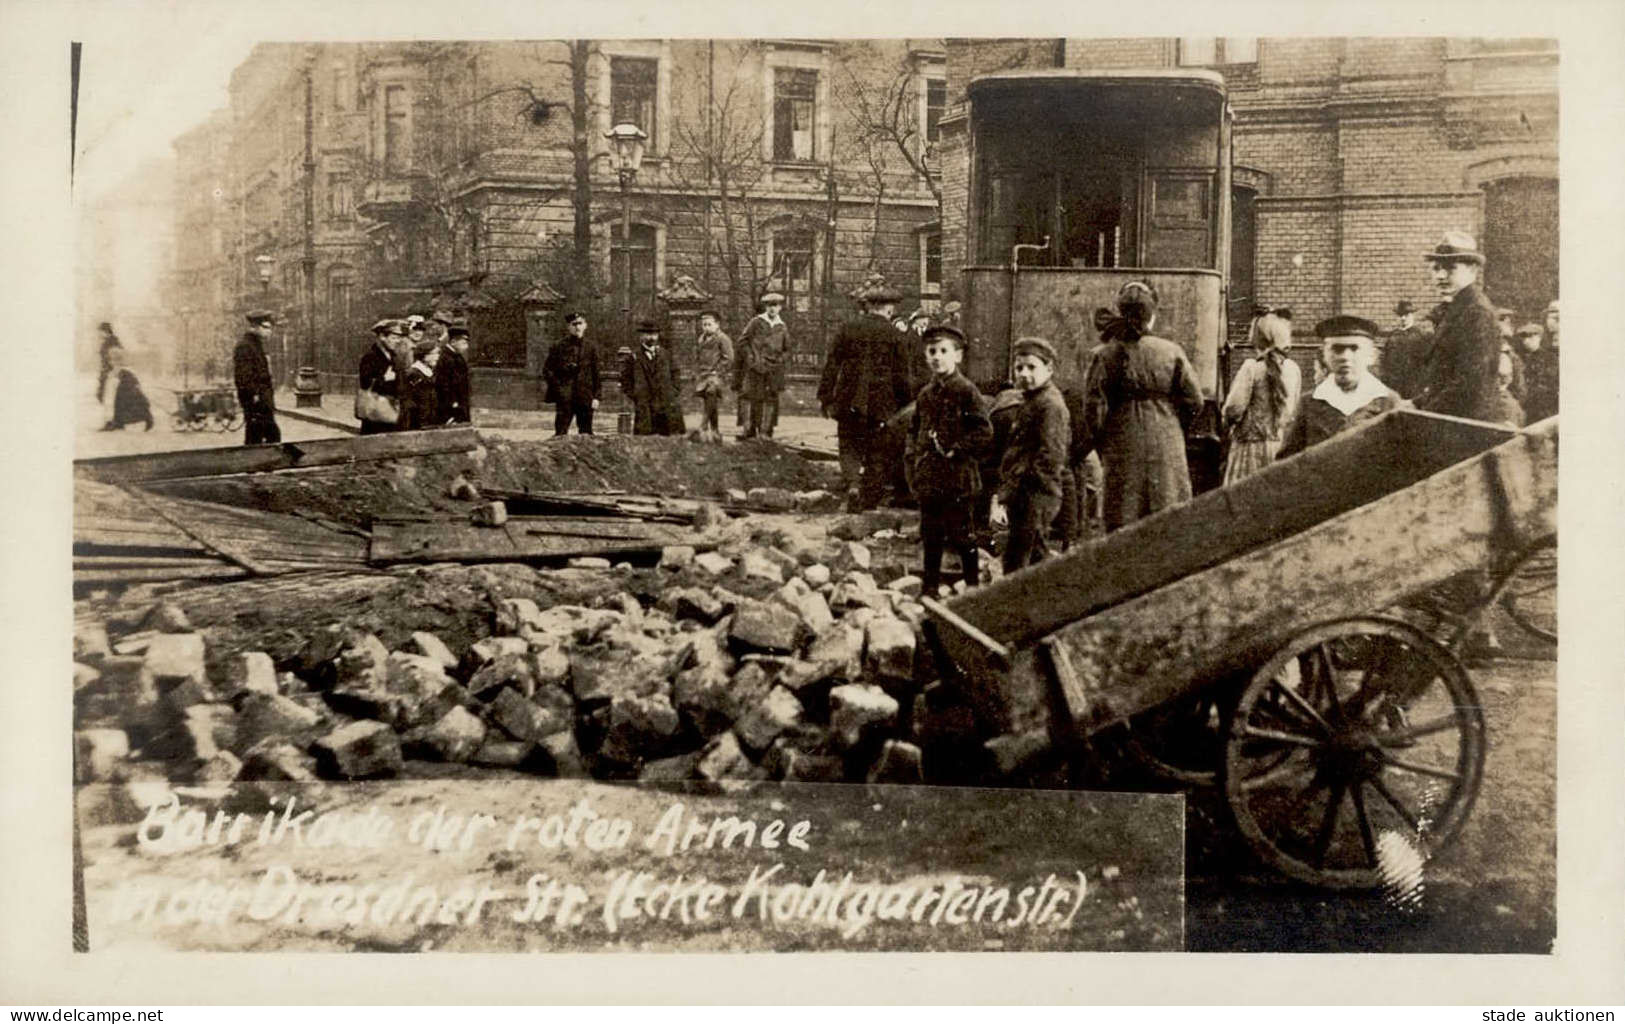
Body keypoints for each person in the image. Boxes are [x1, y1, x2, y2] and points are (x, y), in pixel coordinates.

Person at [1080, 280, 1204, 532]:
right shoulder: (1172, 351)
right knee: (1169, 515)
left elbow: (1093, 410)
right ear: (1152, 316)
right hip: (1167, 439)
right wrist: (1175, 425)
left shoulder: (1104, 354)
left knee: (1124, 518)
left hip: (1123, 441)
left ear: (1120, 311)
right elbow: (1195, 401)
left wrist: (1105, 439)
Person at [906, 325, 992, 598]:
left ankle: (972, 588)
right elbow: (915, 429)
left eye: (944, 351)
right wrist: (913, 459)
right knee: (930, 535)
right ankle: (929, 587)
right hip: (930, 479)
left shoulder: (966, 391)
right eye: (932, 351)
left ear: (958, 356)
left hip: (957, 479)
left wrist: (957, 449)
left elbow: (984, 431)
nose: (937, 357)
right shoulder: (926, 394)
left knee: (961, 534)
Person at [819, 284, 913, 509]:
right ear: (888, 309)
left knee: (849, 443)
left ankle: (852, 484)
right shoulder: (895, 335)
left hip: (848, 400)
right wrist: (904, 404)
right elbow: (902, 376)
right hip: (882, 404)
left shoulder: (847, 328)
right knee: (877, 450)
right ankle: (869, 500)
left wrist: (825, 397)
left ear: (868, 306)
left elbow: (831, 365)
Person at [991, 337, 1070, 574]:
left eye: (1032, 367)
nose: (1024, 373)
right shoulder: (1031, 401)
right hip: (1023, 493)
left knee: (1023, 560)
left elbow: (1051, 455)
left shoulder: (1050, 405)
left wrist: (1027, 486)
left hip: (1035, 494)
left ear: (1049, 369)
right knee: (1027, 556)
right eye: (1019, 368)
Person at [1279, 316, 1402, 458]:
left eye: (1354, 348)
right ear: (1324, 355)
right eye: (1337, 349)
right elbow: (1285, 465)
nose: (1345, 357)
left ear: (1371, 356)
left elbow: (1404, 465)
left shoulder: (1389, 403)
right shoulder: (1309, 403)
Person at [1414, 231, 1501, 422]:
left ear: (1473, 270)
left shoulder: (1477, 312)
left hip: (1465, 427)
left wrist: (1422, 412)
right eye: (1436, 268)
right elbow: (1443, 380)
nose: (1441, 276)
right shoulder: (1459, 308)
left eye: (1450, 268)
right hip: (1450, 421)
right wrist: (1415, 404)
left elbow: (1470, 385)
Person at [1221, 309, 1302, 483]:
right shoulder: (1294, 369)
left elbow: (1233, 408)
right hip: (1279, 448)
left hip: (1250, 449)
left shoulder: (1251, 368)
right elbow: (1293, 409)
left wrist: (1226, 423)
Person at [735, 292, 790, 439]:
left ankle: (766, 431)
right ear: (765, 307)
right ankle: (748, 430)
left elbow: (787, 349)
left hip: (773, 369)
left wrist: (780, 360)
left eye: (776, 305)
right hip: (755, 367)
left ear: (780, 307)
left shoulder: (782, 326)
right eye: (769, 305)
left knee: (770, 398)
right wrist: (751, 358)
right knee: (749, 396)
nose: (772, 309)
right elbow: (742, 342)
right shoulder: (756, 322)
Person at [621, 319, 684, 436]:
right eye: (648, 334)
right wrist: (636, 395)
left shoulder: (666, 355)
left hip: (666, 404)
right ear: (641, 336)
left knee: (669, 440)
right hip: (645, 406)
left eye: (654, 334)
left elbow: (675, 373)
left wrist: (674, 390)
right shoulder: (633, 357)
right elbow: (625, 380)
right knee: (645, 440)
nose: (652, 338)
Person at [543, 312, 601, 436]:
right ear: (568, 327)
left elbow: (596, 373)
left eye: (580, 323)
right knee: (561, 432)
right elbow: (547, 370)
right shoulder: (558, 346)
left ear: (585, 325)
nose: (577, 327)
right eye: (574, 324)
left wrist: (596, 396)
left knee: (586, 432)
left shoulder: (591, 347)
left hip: (585, 396)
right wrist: (559, 388)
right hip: (565, 397)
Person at [233, 309, 281, 445]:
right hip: (256, 401)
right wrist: (254, 396)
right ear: (254, 327)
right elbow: (243, 377)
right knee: (267, 437)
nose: (269, 331)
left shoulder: (255, 345)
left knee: (257, 437)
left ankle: (261, 464)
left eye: (270, 328)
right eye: (266, 327)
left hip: (261, 400)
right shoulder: (245, 346)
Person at [356, 318, 404, 434]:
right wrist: (384, 379)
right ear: (382, 337)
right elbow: (365, 383)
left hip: (390, 409)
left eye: (398, 338)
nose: (397, 341)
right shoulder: (370, 357)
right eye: (393, 338)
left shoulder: (393, 356)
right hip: (375, 410)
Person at [694, 309, 734, 440]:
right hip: (703, 374)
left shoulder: (723, 338)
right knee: (710, 402)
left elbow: (729, 358)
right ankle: (715, 431)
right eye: (704, 325)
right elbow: (698, 357)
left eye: (709, 324)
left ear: (717, 325)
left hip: (716, 374)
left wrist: (718, 371)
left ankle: (703, 426)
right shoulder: (701, 339)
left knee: (711, 393)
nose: (706, 327)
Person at [1382, 300, 1429, 400]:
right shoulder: (1393, 337)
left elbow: (1427, 362)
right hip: (1395, 386)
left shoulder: (1421, 336)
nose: (1403, 318)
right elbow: (1385, 361)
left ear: (1412, 316)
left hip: (1414, 386)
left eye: (1406, 315)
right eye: (1400, 315)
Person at [99, 347, 153, 431]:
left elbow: (130, 382)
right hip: (120, 393)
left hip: (123, 393)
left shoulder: (122, 371)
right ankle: (116, 422)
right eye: (111, 359)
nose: (111, 362)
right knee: (117, 405)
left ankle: (113, 422)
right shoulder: (118, 371)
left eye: (114, 359)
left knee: (118, 405)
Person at [436, 320, 472, 424]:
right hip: (451, 403)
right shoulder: (445, 358)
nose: (466, 346)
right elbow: (444, 384)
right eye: (463, 343)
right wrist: (452, 402)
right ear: (453, 342)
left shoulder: (457, 356)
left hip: (460, 400)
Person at [95, 322, 123, 404]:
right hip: (106, 370)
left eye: (100, 332)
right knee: (104, 395)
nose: (99, 334)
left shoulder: (113, 341)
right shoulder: (107, 341)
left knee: (109, 395)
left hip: (111, 371)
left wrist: (114, 370)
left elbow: (117, 357)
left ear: (106, 331)